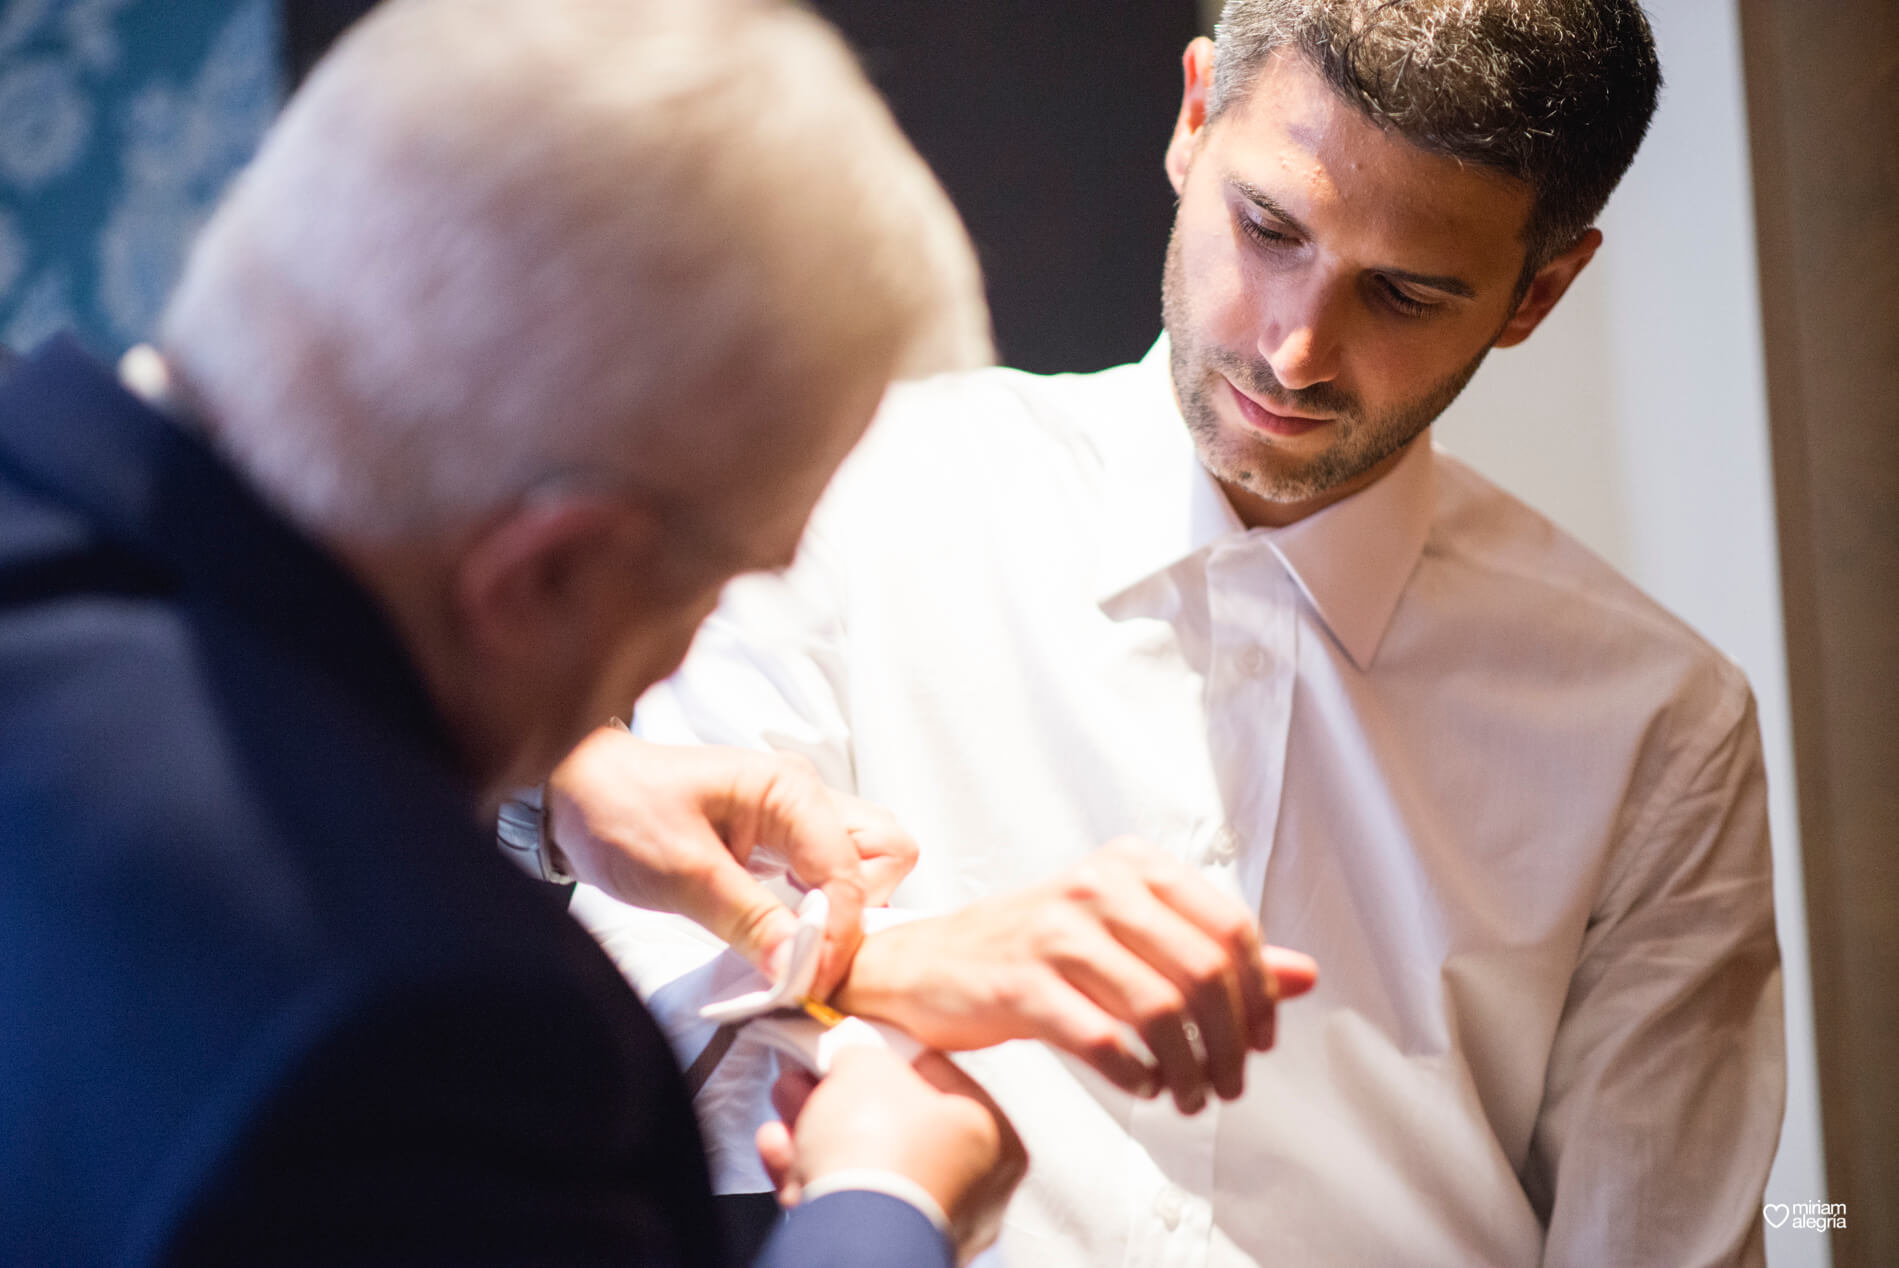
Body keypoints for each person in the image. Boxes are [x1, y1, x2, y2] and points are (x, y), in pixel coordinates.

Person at [549, 1, 1786, 1265]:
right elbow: (630, 1011)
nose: (1295, 350)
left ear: (1542, 289)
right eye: (1268, 229)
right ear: (1194, 117)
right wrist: (883, 963)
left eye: (1405, 292)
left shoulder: (1656, 724)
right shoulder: (851, 487)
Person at [0, 0, 1032, 1263]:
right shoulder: (443, 1027)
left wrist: (558, 769)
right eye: (715, 592)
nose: (681, 661)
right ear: (548, 573)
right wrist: (884, 1204)